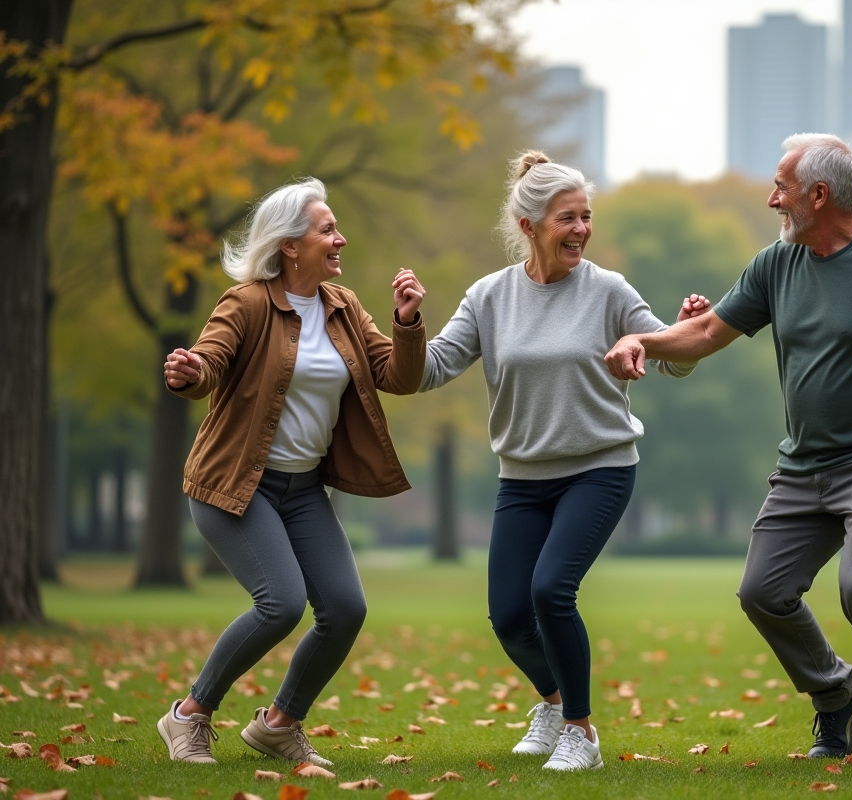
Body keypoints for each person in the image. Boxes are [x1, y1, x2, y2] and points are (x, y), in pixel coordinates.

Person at [604, 133, 852, 782]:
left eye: (782, 188)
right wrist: (640, 340)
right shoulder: (775, 265)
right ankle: (838, 692)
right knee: (762, 592)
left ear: (819, 195)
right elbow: (705, 332)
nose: (772, 199)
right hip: (803, 467)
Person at [419, 151, 709, 772]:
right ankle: (550, 705)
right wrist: (407, 324)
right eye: (567, 218)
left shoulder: (607, 290)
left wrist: (682, 331)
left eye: (586, 217)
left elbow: (671, 358)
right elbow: (431, 368)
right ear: (528, 225)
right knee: (508, 616)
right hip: (522, 478)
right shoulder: (489, 297)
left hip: (599, 467)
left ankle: (580, 732)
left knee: (552, 590)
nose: (581, 229)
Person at [157, 177, 427, 765]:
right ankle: (189, 716)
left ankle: (279, 725)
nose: (340, 239)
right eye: (327, 230)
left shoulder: (343, 307)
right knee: (279, 603)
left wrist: (406, 322)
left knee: (345, 608)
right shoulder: (248, 302)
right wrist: (190, 371)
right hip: (234, 485)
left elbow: (397, 376)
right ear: (290, 245)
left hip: (302, 489)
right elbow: (212, 357)